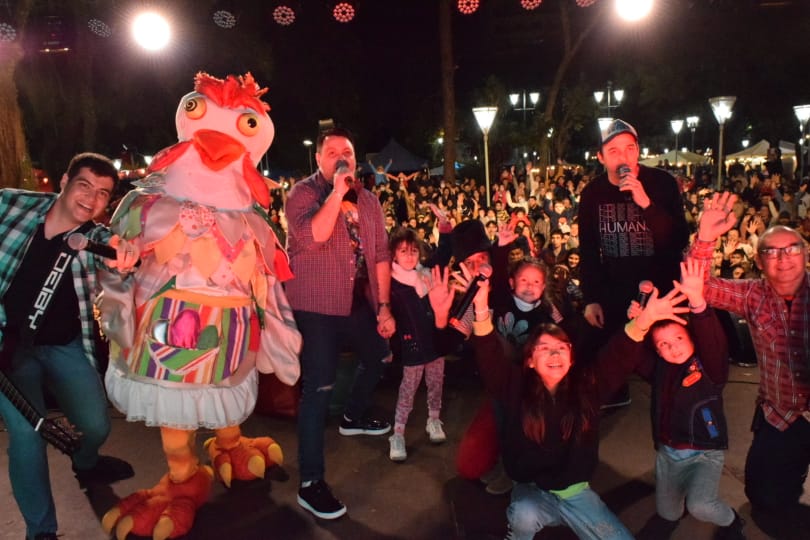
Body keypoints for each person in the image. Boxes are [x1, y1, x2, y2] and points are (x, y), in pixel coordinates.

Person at [452, 261, 689, 540]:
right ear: (529, 360)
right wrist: (480, 307)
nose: (554, 355)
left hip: (576, 493)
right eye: (544, 349)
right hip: (530, 490)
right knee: (524, 513)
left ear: (572, 356)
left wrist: (645, 321)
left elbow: (617, 357)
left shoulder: (586, 387)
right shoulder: (514, 386)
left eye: (561, 348)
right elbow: (490, 356)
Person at [0, 153, 139, 540]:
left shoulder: (91, 237)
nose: (91, 199)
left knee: (95, 423)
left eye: (102, 194)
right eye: (84, 185)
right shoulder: (12, 204)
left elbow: (106, 250)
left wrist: (120, 257)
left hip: (62, 345)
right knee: (27, 434)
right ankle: (41, 531)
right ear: (63, 181)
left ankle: (86, 463)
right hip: (8, 352)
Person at [284, 127, 396, 520]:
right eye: (332, 152)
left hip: (355, 302)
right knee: (318, 388)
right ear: (319, 159)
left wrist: (384, 307)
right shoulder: (302, 194)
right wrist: (334, 193)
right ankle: (311, 482)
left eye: (346, 151)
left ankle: (352, 417)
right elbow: (313, 237)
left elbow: (381, 254)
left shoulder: (368, 200)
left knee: (380, 354)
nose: (340, 156)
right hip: (315, 306)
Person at [688, 191, 810, 539]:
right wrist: (707, 237)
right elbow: (700, 286)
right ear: (759, 260)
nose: (783, 259)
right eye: (772, 251)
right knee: (762, 496)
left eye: (792, 249)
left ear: (805, 254)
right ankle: (790, 472)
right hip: (780, 414)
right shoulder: (753, 294)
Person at [628, 259, 745, 540]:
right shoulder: (659, 369)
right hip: (668, 454)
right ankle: (675, 501)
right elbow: (634, 355)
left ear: (691, 338)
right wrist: (638, 322)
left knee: (700, 505)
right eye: (663, 345)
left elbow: (712, 341)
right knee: (668, 514)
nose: (673, 347)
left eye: (679, 338)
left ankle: (732, 521)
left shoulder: (710, 369)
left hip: (705, 453)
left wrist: (698, 304)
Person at [578, 119, 690, 408]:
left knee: (664, 351)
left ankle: (678, 399)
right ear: (601, 157)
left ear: (638, 151)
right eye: (614, 151)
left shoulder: (662, 183)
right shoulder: (592, 194)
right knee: (613, 350)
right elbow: (589, 250)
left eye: (630, 148)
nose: (623, 157)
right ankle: (615, 393)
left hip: (661, 287)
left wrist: (646, 204)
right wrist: (591, 299)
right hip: (616, 288)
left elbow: (678, 239)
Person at [387, 228, 453, 461]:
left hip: (434, 342)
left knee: (436, 383)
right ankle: (398, 433)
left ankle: (433, 420)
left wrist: (445, 230)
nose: (409, 256)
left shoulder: (426, 275)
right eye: (403, 251)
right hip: (411, 346)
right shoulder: (391, 283)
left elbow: (444, 254)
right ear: (393, 254)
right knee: (408, 389)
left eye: (413, 251)